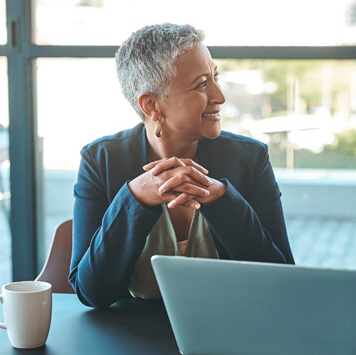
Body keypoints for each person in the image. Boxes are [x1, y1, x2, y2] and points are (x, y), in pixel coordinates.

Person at [70, 23, 295, 308]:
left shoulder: (250, 159)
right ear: (151, 106)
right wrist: (133, 199)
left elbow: (283, 279)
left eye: (215, 77)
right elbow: (91, 293)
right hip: (133, 340)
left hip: (234, 331)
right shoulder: (99, 161)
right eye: (202, 84)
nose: (220, 96)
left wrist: (223, 200)